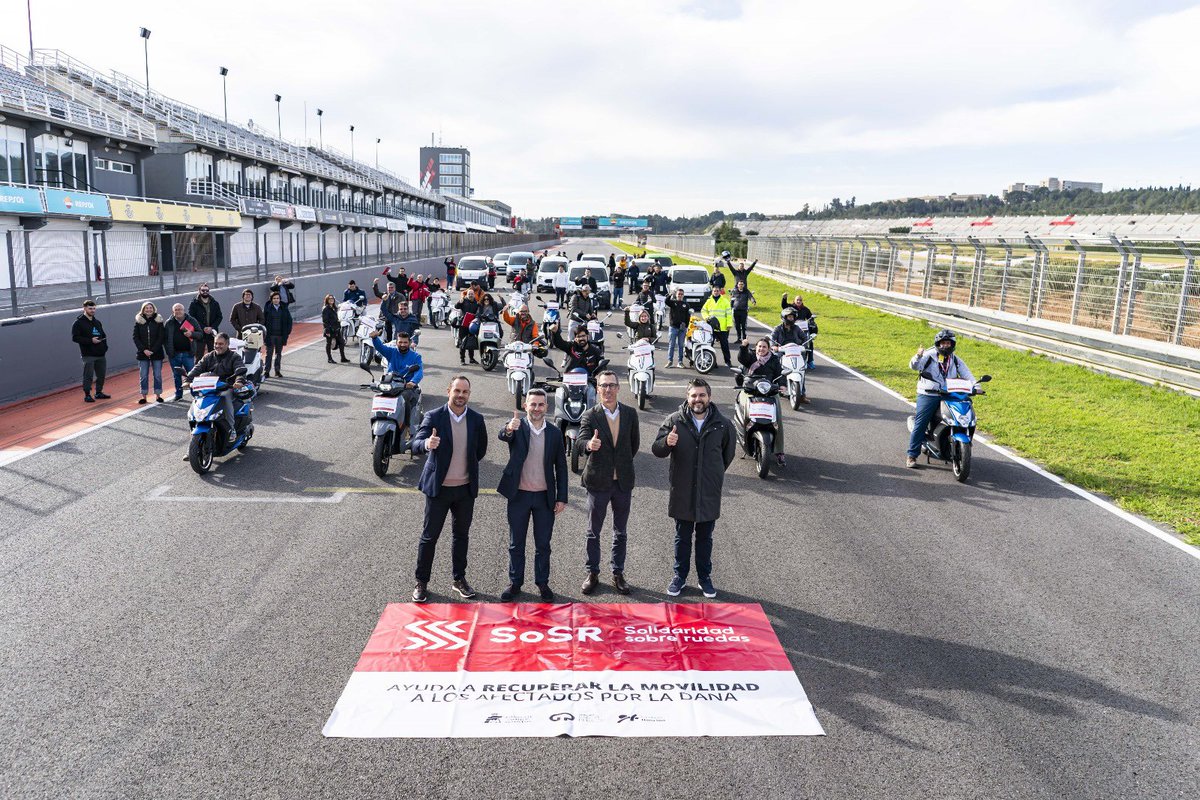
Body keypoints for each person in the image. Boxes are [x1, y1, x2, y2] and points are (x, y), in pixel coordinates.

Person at [651, 378, 735, 598]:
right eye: (694, 395)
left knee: (705, 538)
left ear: (709, 397)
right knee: (682, 537)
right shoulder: (674, 421)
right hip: (682, 490)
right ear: (687, 398)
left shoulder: (723, 424)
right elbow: (657, 450)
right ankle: (679, 577)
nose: (698, 399)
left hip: (708, 491)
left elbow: (727, 456)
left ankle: (704, 578)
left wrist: (712, 476)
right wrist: (666, 442)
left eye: (702, 395)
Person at [410, 376, 488, 602]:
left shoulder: (476, 419)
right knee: (429, 537)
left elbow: (480, 450)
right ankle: (421, 582)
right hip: (439, 489)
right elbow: (415, 443)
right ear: (449, 391)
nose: (461, 395)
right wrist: (427, 444)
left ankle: (459, 579)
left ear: (469, 394)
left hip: (464, 490)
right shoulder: (434, 416)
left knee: (461, 536)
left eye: (465, 392)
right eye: (457, 391)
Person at [497, 389, 568, 602]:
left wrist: (561, 497)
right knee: (516, 543)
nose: (536, 408)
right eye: (532, 404)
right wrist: (509, 428)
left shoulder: (554, 433)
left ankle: (542, 583)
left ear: (546, 407)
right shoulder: (517, 426)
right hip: (518, 495)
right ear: (525, 405)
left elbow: (561, 467)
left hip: (544, 498)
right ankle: (515, 582)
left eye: (540, 404)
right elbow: (503, 435)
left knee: (543, 544)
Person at [577, 370, 640, 595]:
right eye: (603, 385)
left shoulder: (631, 414)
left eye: (612, 385)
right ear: (598, 389)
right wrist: (588, 445)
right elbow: (580, 441)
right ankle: (592, 573)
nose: (608, 389)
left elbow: (633, 445)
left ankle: (617, 573)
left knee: (620, 532)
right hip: (597, 482)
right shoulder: (590, 415)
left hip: (622, 482)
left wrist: (620, 463)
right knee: (593, 532)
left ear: (618, 388)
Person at [907, 330, 975, 469]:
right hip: (928, 393)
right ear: (938, 344)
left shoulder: (954, 359)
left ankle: (954, 446)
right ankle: (912, 455)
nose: (946, 346)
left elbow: (967, 373)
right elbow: (914, 366)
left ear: (952, 344)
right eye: (943, 343)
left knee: (962, 416)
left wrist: (976, 386)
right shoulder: (929, 355)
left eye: (948, 343)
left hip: (948, 393)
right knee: (921, 423)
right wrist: (918, 356)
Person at [184, 332, 247, 444]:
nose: (218, 346)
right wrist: (188, 380)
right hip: (209, 387)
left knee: (225, 398)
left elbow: (240, 369)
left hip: (226, 387)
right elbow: (198, 368)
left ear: (227, 344)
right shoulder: (208, 356)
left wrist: (239, 381)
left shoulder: (234, 357)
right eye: (216, 343)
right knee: (196, 400)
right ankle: (194, 431)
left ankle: (231, 429)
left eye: (221, 344)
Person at [370, 329, 424, 445]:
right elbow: (380, 348)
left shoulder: (415, 356)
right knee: (379, 395)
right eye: (400, 342)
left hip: (406, 386)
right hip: (391, 384)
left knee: (405, 398)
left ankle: (408, 427)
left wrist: (413, 382)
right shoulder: (392, 352)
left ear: (409, 343)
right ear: (397, 342)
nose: (403, 344)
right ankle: (380, 420)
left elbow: (419, 372)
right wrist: (374, 338)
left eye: (405, 342)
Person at [737, 337, 787, 465]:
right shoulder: (750, 356)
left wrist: (782, 385)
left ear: (769, 348)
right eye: (759, 346)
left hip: (769, 392)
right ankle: (743, 438)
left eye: (764, 347)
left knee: (777, 419)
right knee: (744, 410)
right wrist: (743, 347)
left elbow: (780, 374)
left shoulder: (774, 359)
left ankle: (779, 451)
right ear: (756, 347)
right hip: (749, 390)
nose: (761, 349)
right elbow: (742, 359)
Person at [72, 299, 110, 403]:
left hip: (100, 354)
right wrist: (90, 341)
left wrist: (104, 347)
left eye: (94, 308)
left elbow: (103, 335)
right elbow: (75, 338)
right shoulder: (78, 323)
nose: (92, 310)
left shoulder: (97, 322)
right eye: (90, 308)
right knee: (88, 375)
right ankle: (87, 395)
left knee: (101, 375)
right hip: (88, 354)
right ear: (84, 308)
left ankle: (98, 392)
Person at [771, 309, 812, 405]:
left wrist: (804, 346)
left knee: (801, 370)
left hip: (795, 351)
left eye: (793, 317)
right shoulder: (778, 328)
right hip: (782, 352)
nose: (791, 319)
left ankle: (802, 395)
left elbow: (804, 338)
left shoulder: (797, 328)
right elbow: (772, 339)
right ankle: (773, 388)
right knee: (775, 364)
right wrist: (774, 346)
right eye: (789, 317)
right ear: (784, 318)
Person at [164, 303, 200, 401]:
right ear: (173, 312)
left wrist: (191, 334)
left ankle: (195, 394)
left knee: (191, 375)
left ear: (184, 310)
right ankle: (179, 394)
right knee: (176, 376)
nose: (178, 311)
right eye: (176, 310)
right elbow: (165, 339)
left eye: (180, 309)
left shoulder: (191, 320)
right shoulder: (169, 323)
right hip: (174, 354)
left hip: (188, 354)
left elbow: (200, 334)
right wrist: (169, 352)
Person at [132, 301, 166, 404]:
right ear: (143, 310)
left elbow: (161, 337)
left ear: (153, 309)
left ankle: (158, 395)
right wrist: (144, 350)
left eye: (150, 308)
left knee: (157, 375)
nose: (149, 310)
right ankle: (144, 396)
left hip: (157, 353)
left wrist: (153, 350)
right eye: (146, 308)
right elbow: (135, 337)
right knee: (143, 376)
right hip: (143, 354)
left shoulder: (159, 320)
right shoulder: (139, 321)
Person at [780, 293, 818, 369]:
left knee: (809, 342)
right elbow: (784, 306)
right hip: (791, 329)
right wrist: (784, 299)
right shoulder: (790, 307)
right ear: (794, 300)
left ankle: (810, 360)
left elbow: (810, 318)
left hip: (803, 330)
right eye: (797, 300)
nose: (799, 301)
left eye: (800, 300)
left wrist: (812, 321)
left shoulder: (806, 309)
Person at [701, 287, 734, 368]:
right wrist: (707, 317)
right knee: (709, 345)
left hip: (722, 328)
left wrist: (729, 324)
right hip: (711, 327)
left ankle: (728, 361)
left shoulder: (725, 301)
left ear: (720, 292)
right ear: (712, 292)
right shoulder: (709, 301)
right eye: (714, 291)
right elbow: (703, 311)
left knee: (724, 345)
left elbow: (729, 314)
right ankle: (711, 361)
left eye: (717, 291)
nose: (716, 292)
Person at [187, 283, 222, 356]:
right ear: (199, 291)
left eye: (207, 290)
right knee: (199, 356)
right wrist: (203, 328)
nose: (205, 292)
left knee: (214, 355)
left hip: (212, 333)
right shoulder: (194, 303)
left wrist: (212, 327)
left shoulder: (215, 303)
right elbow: (191, 318)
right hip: (199, 333)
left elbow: (219, 317)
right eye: (203, 290)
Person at [263, 290, 292, 378]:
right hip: (270, 335)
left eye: (278, 298)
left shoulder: (284, 309)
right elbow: (263, 321)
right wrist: (264, 333)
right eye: (274, 298)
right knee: (269, 354)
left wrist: (287, 332)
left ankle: (277, 371)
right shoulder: (267, 309)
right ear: (271, 299)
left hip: (280, 335)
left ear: (280, 299)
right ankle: (267, 371)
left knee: (278, 354)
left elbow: (289, 321)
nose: (276, 300)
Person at [664, 288, 691, 368]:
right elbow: (666, 301)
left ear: (683, 295)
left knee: (681, 346)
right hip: (673, 327)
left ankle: (680, 362)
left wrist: (686, 326)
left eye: (681, 294)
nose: (680, 295)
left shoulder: (686, 305)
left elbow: (688, 317)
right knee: (671, 345)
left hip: (682, 329)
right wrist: (671, 294)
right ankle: (670, 361)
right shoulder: (672, 302)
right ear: (676, 294)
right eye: (679, 294)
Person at [455, 287, 482, 364]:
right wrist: (459, 302)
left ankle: (471, 359)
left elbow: (479, 312)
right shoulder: (463, 301)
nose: (470, 295)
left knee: (471, 342)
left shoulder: (476, 303)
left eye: (472, 294)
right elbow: (456, 306)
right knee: (462, 342)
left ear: (474, 295)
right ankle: (462, 359)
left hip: (472, 326)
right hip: (463, 325)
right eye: (469, 294)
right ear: (467, 295)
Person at [321, 294, 350, 364]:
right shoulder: (325, 309)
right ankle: (329, 359)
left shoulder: (334, 307)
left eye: (332, 298)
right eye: (330, 299)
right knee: (329, 344)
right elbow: (325, 321)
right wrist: (327, 331)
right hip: (330, 329)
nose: (331, 300)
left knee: (341, 342)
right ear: (327, 300)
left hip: (336, 328)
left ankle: (343, 358)